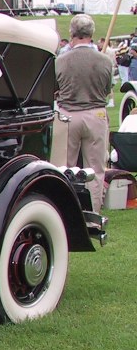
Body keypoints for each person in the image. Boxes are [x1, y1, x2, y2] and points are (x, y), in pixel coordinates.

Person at [54, 13, 115, 212]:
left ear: (72, 33)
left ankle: (66, 212)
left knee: (65, 168)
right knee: (96, 169)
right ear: (91, 32)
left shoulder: (61, 61)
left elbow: (55, 88)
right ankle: (93, 214)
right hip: (95, 114)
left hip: (68, 115)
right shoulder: (104, 60)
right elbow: (107, 89)